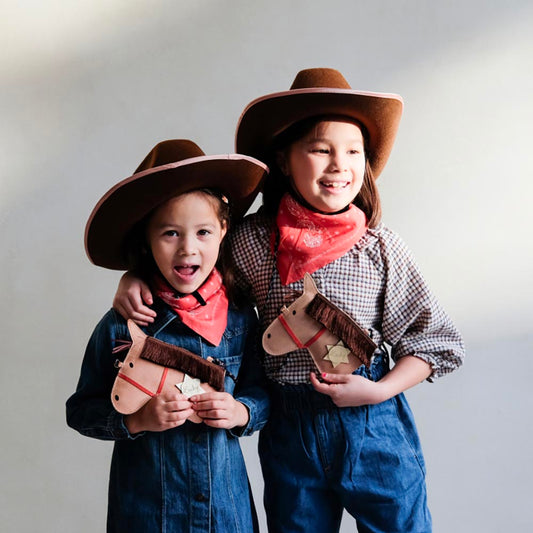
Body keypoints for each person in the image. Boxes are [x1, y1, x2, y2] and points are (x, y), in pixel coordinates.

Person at [113, 70, 465, 533]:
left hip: (372, 422)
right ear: (283, 159)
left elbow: (434, 341)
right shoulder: (254, 242)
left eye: (353, 151)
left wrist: (379, 390)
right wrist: (133, 275)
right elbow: (190, 258)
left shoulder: (381, 249)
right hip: (288, 425)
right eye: (321, 149)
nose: (340, 164)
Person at [66, 139, 270, 533]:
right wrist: (137, 420)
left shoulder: (241, 315)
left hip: (224, 512)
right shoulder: (123, 324)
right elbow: (80, 410)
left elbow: (263, 391)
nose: (188, 249)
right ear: (147, 238)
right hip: (147, 513)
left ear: (224, 230)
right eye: (171, 233)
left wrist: (241, 411)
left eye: (204, 232)